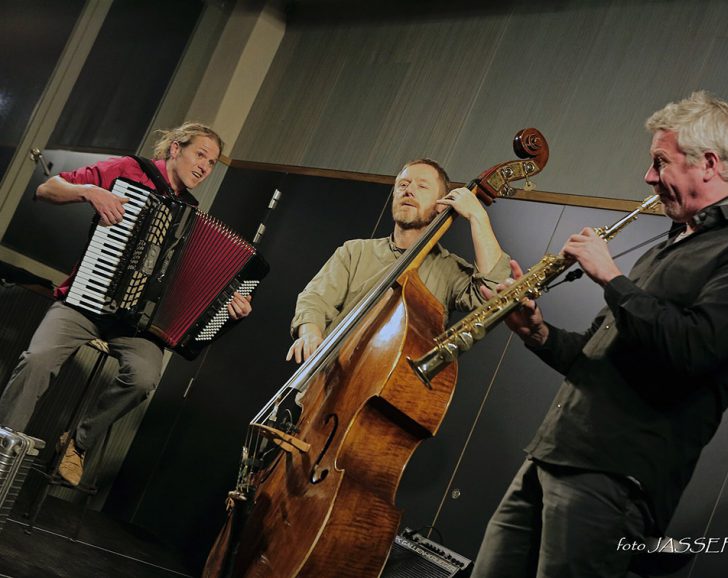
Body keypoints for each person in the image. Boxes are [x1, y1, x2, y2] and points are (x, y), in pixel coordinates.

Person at [470, 91, 728, 578]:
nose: (649, 178)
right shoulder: (672, 243)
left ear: (709, 164)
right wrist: (538, 332)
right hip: (554, 453)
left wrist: (612, 278)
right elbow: (594, 356)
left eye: (660, 162)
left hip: (614, 476)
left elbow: (698, 348)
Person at [0, 122, 252, 487]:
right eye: (200, 154)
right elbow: (47, 189)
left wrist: (227, 302)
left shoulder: (190, 215)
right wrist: (90, 192)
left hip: (134, 325)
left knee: (144, 377)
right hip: (84, 301)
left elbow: (189, 281)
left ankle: (77, 444)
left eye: (212, 163)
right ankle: (4, 445)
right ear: (176, 149)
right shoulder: (129, 170)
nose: (204, 167)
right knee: (37, 359)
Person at [286, 158, 510, 363]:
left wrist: (477, 217)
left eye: (422, 186)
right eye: (403, 185)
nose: (409, 190)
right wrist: (310, 333)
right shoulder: (355, 251)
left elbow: (492, 289)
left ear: (443, 204)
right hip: (323, 381)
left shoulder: (448, 270)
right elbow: (315, 298)